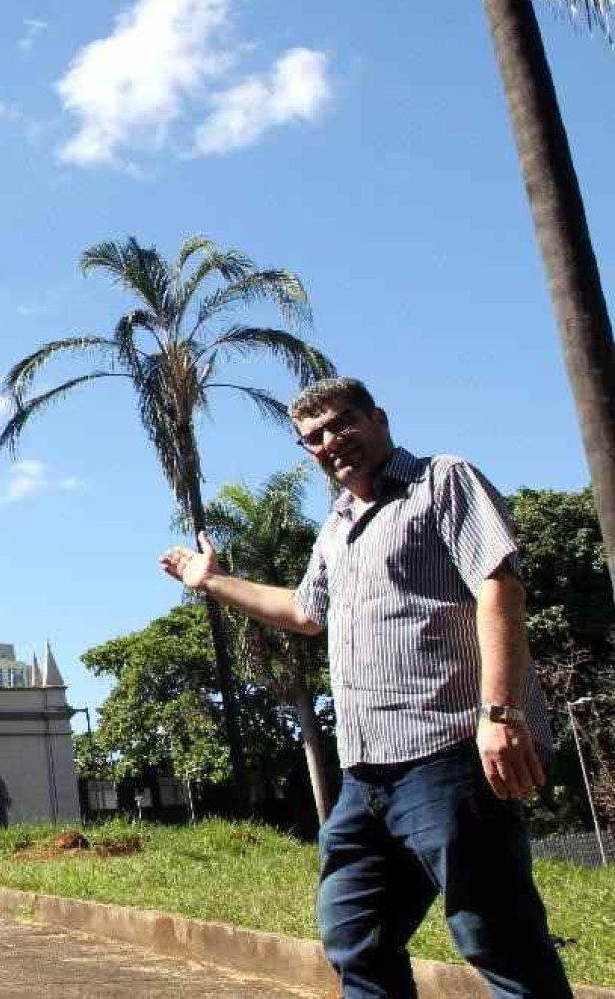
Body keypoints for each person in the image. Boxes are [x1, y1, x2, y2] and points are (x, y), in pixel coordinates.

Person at [159, 377, 571, 998]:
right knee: (355, 937)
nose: (330, 442)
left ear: (378, 418)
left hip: (449, 755)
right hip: (365, 776)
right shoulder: (337, 526)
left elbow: (499, 586)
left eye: (341, 423)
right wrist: (211, 581)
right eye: (314, 438)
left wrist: (501, 713)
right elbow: (304, 612)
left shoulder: (443, 481)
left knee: (498, 940)